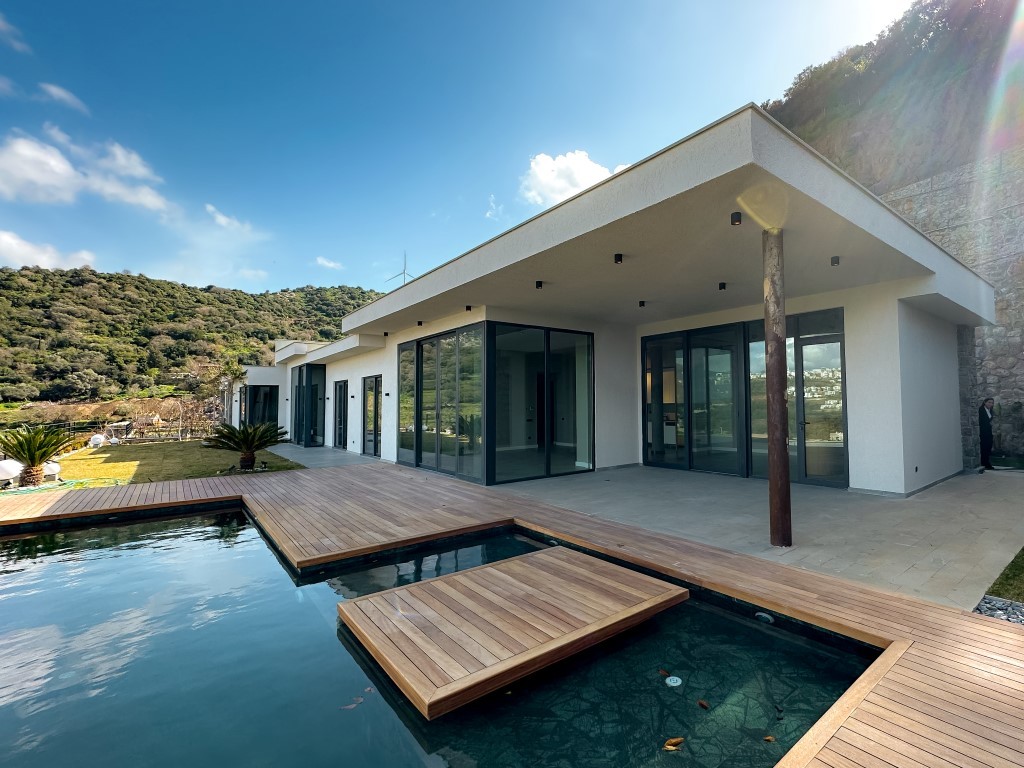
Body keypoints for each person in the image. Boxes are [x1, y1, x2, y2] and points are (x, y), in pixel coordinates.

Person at [979, 397, 995, 470]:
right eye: (989, 402)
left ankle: (986, 462)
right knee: (984, 447)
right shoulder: (981, 410)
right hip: (982, 432)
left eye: (992, 403)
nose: (990, 404)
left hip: (988, 431)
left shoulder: (991, 410)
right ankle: (985, 463)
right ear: (985, 402)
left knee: (989, 447)